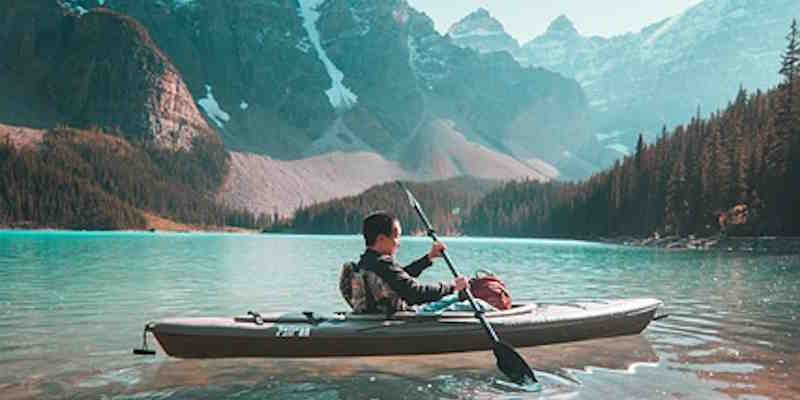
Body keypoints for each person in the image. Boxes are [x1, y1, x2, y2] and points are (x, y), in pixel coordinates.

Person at [342, 211, 468, 314]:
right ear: (381, 239)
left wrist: (429, 258)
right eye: (396, 237)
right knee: (475, 304)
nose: (399, 243)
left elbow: (399, 278)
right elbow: (415, 293)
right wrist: (452, 287)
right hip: (398, 320)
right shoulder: (382, 264)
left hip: (375, 318)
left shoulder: (366, 262)